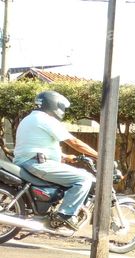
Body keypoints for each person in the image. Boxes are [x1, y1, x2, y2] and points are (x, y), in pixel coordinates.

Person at [13, 91, 99, 230]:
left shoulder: (29, 118)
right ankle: (65, 215)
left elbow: (36, 145)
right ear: (53, 104)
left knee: (80, 173)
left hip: (30, 161)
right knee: (84, 179)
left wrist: (63, 157)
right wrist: (100, 155)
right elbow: (74, 142)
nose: (62, 110)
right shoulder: (45, 119)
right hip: (37, 164)